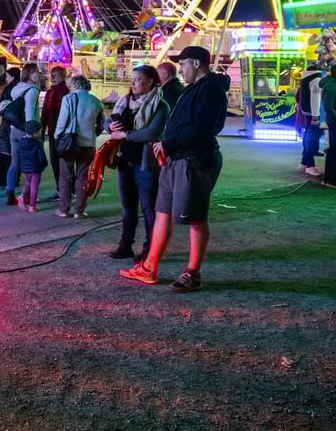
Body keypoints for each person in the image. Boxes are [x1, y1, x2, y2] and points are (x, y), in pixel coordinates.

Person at [120, 46, 229, 293]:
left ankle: (193, 273)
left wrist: (168, 143)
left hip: (194, 160)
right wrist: (167, 145)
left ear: (197, 63)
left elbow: (202, 128)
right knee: (162, 212)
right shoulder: (193, 88)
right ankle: (149, 267)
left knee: (196, 217)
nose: (181, 70)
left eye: (184, 64)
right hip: (175, 159)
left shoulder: (210, 89)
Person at [107, 65, 169, 261]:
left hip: (145, 164)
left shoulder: (160, 105)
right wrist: (110, 126)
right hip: (124, 161)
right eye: (132, 79)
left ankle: (150, 249)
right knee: (128, 207)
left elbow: (151, 133)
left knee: (149, 208)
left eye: (138, 79)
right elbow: (106, 123)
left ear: (150, 81)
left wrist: (125, 134)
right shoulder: (124, 102)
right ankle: (125, 245)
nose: (133, 83)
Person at [53, 74, 104, 218]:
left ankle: (64, 209)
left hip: (69, 144)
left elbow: (62, 122)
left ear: (75, 85)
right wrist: (92, 134)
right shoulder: (96, 101)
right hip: (88, 144)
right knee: (83, 176)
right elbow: (101, 125)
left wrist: (57, 136)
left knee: (65, 176)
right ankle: (79, 211)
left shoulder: (68, 99)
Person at [0, 63, 41, 207]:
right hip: (25, 130)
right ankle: (28, 197)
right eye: (35, 72)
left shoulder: (17, 87)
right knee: (32, 166)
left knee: (14, 163)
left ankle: (10, 195)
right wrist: (32, 132)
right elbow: (29, 111)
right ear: (29, 74)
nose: (38, 74)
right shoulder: (32, 90)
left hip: (14, 130)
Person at [41, 66, 70, 202]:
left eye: (55, 75)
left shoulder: (67, 93)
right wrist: (42, 129)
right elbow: (45, 113)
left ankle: (67, 190)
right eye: (51, 75)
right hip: (53, 132)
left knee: (65, 162)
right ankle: (60, 189)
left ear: (63, 77)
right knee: (55, 162)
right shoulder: (50, 92)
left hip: (64, 133)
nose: (51, 78)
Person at [13, 119, 48, 212]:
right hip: (36, 169)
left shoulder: (21, 142)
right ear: (35, 133)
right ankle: (32, 206)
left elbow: (20, 155)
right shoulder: (37, 144)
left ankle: (23, 196)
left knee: (28, 183)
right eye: (39, 131)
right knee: (34, 188)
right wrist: (44, 164)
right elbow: (42, 158)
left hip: (25, 168)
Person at [297, 64, 323, 177]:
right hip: (313, 115)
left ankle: (304, 162)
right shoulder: (316, 79)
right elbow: (315, 99)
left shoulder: (306, 78)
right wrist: (315, 116)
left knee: (308, 138)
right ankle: (310, 165)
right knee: (312, 140)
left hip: (307, 113)